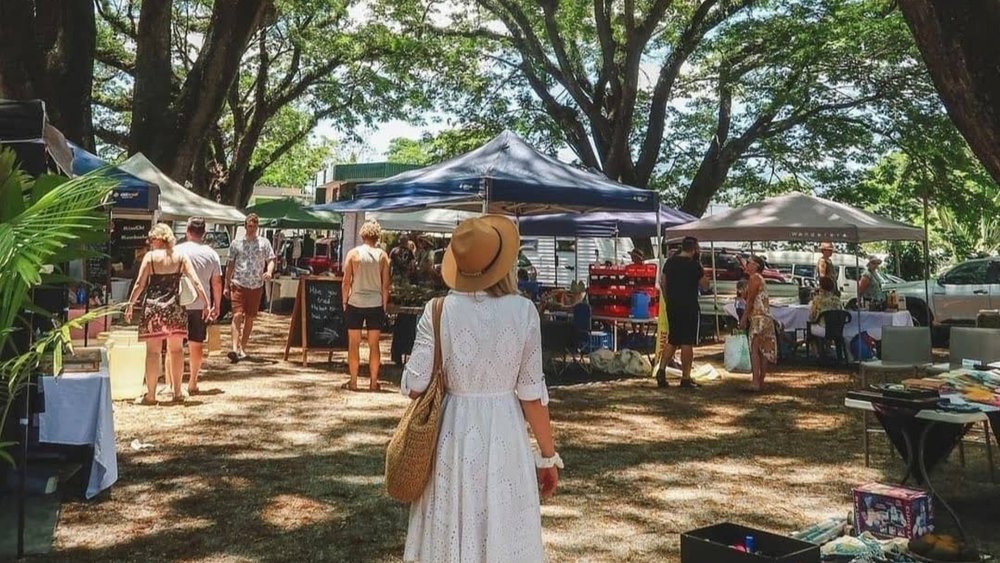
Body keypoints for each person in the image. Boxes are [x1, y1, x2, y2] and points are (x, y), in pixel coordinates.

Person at [401, 215, 558, 561]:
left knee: (451, 518)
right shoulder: (523, 312)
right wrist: (548, 455)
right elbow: (532, 394)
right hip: (505, 431)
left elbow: (415, 385)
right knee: (504, 523)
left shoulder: (437, 310)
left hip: (450, 432)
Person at [124, 223, 210, 405]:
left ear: (158, 239)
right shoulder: (180, 256)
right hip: (175, 308)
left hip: (153, 308)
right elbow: (195, 280)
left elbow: (140, 284)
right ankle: (177, 392)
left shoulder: (150, 257)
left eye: (151, 239)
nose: (149, 242)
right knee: (177, 350)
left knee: (153, 352)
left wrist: (130, 304)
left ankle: (151, 395)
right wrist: (205, 302)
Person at [341, 219, 391, 391]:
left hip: (355, 302)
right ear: (377, 236)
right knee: (374, 344)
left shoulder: (353, 254)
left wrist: (344, 301)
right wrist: (384, 305)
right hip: (375, 303)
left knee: (353, 343)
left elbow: (346, 281)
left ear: (362, 234)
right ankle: (373, 382)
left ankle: (353, 381)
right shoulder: (383, 256)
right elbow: (386, 285)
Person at [175, 217, 223, 395]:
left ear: (187, 230)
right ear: (204, 233)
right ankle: (193, 381)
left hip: (178, 303)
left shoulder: (177, 250)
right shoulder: (211, 254)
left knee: (175, 345)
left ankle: (175, 384)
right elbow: (216, 282)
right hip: (200, 304)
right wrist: (216, 305)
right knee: (196, 344)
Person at [657, 236, 709, 388]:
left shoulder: (670, 262)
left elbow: (663, 282)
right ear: (694, 249)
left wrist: (667, 300)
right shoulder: (694, 265)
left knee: (673, 339)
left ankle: (661, 369)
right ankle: (686, 377)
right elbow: (705, 286)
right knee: (687, 341)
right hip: (689, 305)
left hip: (673, 305)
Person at [224, 213, 276, 363]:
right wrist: (227, 284)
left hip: (256, 285)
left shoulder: (264, 243)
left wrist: (269, 271)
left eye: (254, 226)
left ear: (257, 227)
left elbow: (271, 259)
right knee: (237, 315)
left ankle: (243, 347)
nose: (251, 229)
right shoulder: (236, 243)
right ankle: (234, 348)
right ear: (245, 226)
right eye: (249, 226)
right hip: (238, 283)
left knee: (250, 317)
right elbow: (230, 265)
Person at [738, 255, 777, 392]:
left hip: (758, 317)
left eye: (749, 263)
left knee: (754, 350)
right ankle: (761, 381)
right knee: (763, 351)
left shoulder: (754, 278)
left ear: (756, 265)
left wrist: (743, 318)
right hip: (766, 317)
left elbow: (750, 301)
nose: (746, 265)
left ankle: (755, 381)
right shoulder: (761, 279)